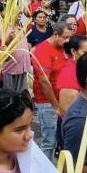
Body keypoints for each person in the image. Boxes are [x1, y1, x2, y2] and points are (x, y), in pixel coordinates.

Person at [31, 21, 73, 157]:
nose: (68, 41)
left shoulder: (62, 48)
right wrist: (55, 105)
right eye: (65, 37)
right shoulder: (42, 50)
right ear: (55, 34)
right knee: (49, 141)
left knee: (55, 139)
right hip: (47, 102)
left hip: (59, 100)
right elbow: (44, 81)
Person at [56, 35, 87, 116]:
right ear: (73, 51)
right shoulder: (69, 73)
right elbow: (67, 110)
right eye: (85, 52)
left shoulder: (81, 67)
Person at [0, 23, 32, 94]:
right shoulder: (4, 28)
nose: (20, 13)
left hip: (23, 67)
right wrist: (9, 39)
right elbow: (1, 46)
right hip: (10, 68)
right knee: (9, 95)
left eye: (21, 12)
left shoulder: (21, 27)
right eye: (17, 12)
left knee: (21, 94)